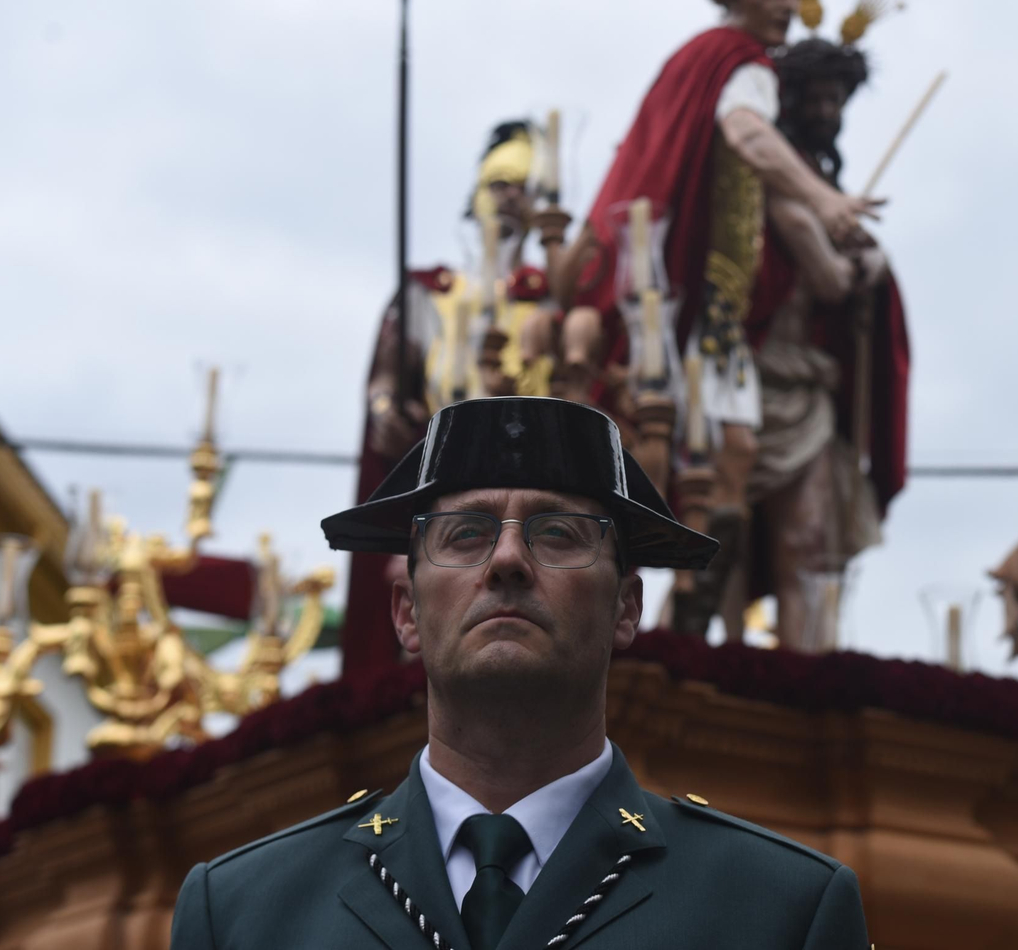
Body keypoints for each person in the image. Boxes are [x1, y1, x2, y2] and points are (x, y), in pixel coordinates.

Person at [169, 396, 870, 950]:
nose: (506, 560)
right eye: (466, 533)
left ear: (627, 607)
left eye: (557, 533)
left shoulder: (778, 909)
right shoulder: (243, 913)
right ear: (406, 612)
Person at [552, 0, 883, 635]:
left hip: (668, 288)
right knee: (721, 456)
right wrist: (826, 202)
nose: (786, 6)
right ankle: (654, 622)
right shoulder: (742, 65)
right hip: (702, 298)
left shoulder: (691, 59)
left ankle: (679, 623)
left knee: (717, 458)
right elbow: (748, 134)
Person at [729, 36, 910, 649]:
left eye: (839, 102)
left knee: (808, 536)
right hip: (744, 381)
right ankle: (723, 657)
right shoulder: (779, 186)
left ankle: (807, 667)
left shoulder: (821, 189)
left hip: (807, 388)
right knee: (723, 537)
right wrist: (855, 266)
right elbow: (829, 277)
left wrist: (872, 262)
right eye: (820, 99)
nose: (830, 114)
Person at [342, 121, 542, 678]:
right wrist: (385, 412)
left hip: (536, 498)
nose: (509, 196)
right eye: (499, 181)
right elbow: (384, 380)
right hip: (443, 490)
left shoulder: (556, 305)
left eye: (524, 185)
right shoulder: (427, 295)